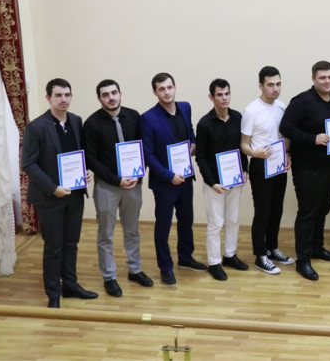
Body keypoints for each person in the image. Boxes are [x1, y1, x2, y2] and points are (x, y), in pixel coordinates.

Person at [21, 78, 97, 308]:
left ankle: (70, 285)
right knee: (54, 247)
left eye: (67, 95)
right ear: (48, 98)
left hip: (74, 194)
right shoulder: (36, 127)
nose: (63, 99)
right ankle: (53, 292)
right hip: (49, 197)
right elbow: (29, 164)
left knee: (71, 243)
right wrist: (52, 188)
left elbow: (78, 153)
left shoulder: (76, 121)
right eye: (58, 95)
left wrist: (86, 170)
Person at [82, 79, 153, 298]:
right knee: (106, 234)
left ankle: (135, 269)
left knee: (132, 230)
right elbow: (91, 159)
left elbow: (144, 148)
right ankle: (109, 277)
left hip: (133, 185)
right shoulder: (91, 123)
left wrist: (139, 174)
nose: (111, 97)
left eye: (114, 92)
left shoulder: (134, 116)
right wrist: (116, 180)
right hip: (107, 187)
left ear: (120, 93)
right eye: (105, 94)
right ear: (99, 99)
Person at [280, 61, 330, 281]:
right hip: (307, 167)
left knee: (322, 209)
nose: (327, 81)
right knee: (308, 213)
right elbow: (285, 127)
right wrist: (312, 139)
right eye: (322, 78)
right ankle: (303, 260)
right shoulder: (302, 101)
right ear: (313, 79)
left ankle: (317, 248)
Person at [140, 72, 206, 287]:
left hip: (185, 176)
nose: (167, 92)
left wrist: (193, 143)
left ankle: (186, 257)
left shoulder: (185, 107)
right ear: (155, 92)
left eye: (169, 87)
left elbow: (190, 131)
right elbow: (148, 154)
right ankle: (165, 267)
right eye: (161, 89)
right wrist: (169, 176)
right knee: (164, 225)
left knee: (187, 220)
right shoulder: (148, 118)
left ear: (175, 87)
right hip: (164, 182)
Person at [240, 66, 294, 275]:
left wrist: (287, 154)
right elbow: (244, 144)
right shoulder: (251, 111)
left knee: (276, 209)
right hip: (260, 165)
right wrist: (256, 153)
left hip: (279, 164)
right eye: (270, 85)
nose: (275, 88)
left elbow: (285, 136)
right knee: (262, 211)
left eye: (278, 84)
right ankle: (260, 255)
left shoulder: (281, 106)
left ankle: (272, 249)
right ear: (261, 86)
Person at [195, 79, 250, 281]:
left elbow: (242, 147)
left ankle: (229, 255)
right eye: (220, 94)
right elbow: (201, 157)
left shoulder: (237, 118)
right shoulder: (204, 124)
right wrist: (212, 183)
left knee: (233, 219)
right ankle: (214, 262)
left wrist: (245, 170)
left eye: (227, 93)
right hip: (215, 183)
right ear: (211, 97)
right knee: (215, 223)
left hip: (235, 179)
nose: (224, 98)